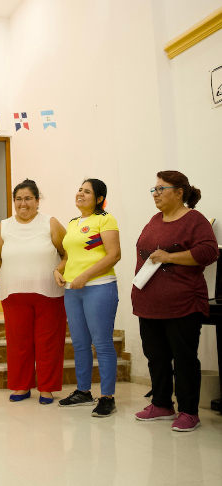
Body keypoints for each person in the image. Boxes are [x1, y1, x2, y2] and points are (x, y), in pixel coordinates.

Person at [132, 171, 218, 432]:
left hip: (183, 303)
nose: (155, 194)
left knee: (184, 358)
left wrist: (170, 258)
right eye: (154, 189)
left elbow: (209, 252)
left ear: (179, 192)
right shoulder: (155, 219)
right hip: (149, 302)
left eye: (161, 189)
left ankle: (189, 411)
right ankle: (161, 404)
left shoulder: (194, 220)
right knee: (155, 357)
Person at [0, 179, 66, 405]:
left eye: (28, 199)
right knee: (18, 343)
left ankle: (47, 388)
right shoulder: (5, 225)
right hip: (14, 293)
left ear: (37, 201)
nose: (23, 203)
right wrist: (18, 271)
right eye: (19, 199)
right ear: (14, 202)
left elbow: (66, 253)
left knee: (48, 343)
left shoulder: (50, 223)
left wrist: (58, 270)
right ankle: (21, 386)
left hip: (49, 293)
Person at [54, 179, 121, 417]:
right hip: (73, 290)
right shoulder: (73, 223)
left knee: (101, 344)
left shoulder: (105, 219)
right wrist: (59, 270)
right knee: (80, 343)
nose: (80, 194)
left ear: (99, 198)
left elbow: (114, 255)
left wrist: (85, 276)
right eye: (80, 190)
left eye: (87, 191)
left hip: (99, 287)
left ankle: (107, 397)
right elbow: (70, 255)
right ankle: (83, 391)